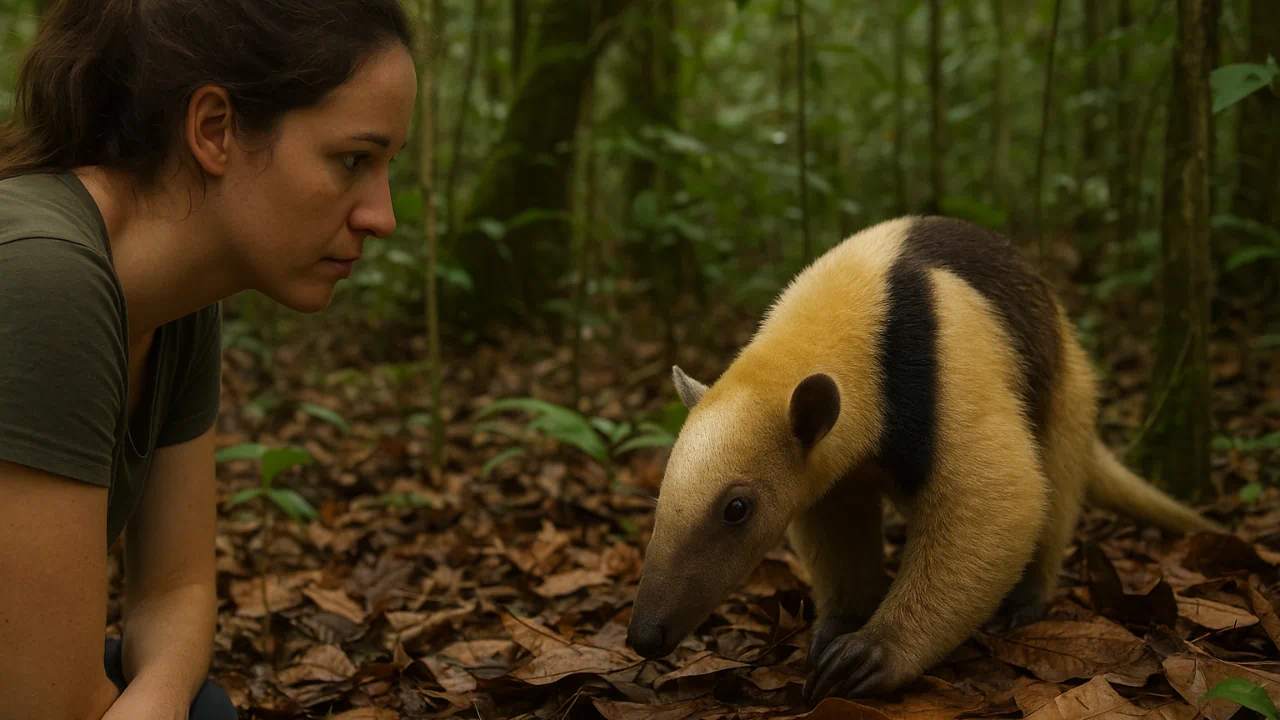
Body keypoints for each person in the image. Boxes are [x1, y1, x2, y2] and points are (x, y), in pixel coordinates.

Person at [0, 0, 417, 718]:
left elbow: (176, 588)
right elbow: (46, 705)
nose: (381, 215)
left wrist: (155, 702)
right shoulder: (44, 275)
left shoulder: (178, 300)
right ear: (214, 130)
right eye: (353, 160)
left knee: (201, 707)